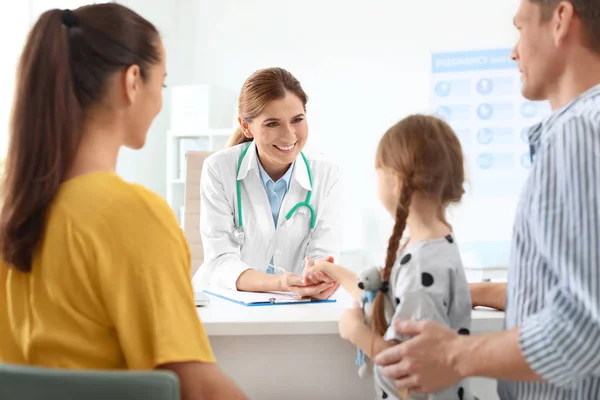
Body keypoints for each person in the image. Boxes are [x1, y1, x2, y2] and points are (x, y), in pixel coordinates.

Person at [0, 5, 247, 399]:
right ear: (132, 81)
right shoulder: (133, 215)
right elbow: (199, 392)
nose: (161, 103)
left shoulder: (9, 201)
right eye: (161, 85)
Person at [374, 0, 600, 399]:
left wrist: (455, 355)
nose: (514, 50)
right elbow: (575, 287)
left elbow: (587, 324)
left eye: (520, 27)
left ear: (561, 20)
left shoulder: (579, 133)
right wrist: (468, 290)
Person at [304, 114, 475, 400]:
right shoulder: (433, 243)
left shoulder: (422, 265)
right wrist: (331, 271)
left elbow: (407, 364)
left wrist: (354, 331)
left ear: (395, 180)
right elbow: (385, 294)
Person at [193, 67, 341, 299]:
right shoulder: (219, 169)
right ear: (246, 126)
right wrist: (282, 283)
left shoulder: (327, 175)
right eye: (272, 124)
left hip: (294, 304)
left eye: (297, 120)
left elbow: (323, 255)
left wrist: (318, 279)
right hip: (226, 302)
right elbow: (221, 261)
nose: (290, 135)